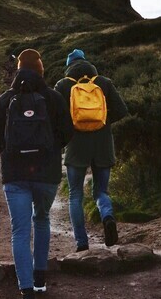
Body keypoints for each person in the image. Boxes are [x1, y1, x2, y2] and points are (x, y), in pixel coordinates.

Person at [0, 49, 72, 299]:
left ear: (17, 70)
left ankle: (27, 296)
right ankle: (40, 279)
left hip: (15, 175)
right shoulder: (54, 98)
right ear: (41, 70)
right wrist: (48, 151)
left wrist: (14, 153)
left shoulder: (5, 99)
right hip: (46, 174)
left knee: (19, 231)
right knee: (42, 219)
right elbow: (67, 133)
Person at [54, 49, 128, 251]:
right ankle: (107, 216)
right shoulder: (104, 82)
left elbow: (55, 118)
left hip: (76, 146)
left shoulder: (63, 85)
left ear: (69, 66)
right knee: (101, 191)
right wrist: (102, 122)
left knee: (75, 194)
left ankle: (82, 243)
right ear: (87, 62)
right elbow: (122, 111)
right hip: (103, 144)